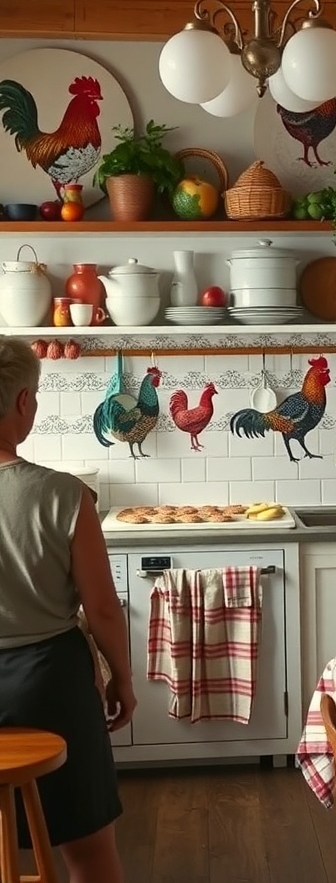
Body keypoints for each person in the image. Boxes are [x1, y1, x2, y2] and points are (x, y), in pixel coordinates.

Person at [0, 338, 136, 883]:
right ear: (24, 403)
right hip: (48, 686)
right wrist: (122, 679)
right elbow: (101, 608)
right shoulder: (63, 496)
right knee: (89, 852)